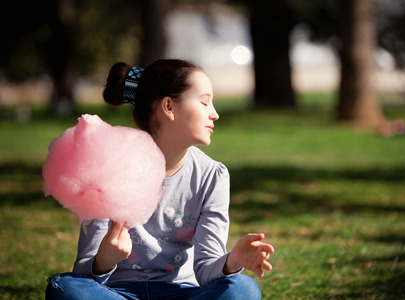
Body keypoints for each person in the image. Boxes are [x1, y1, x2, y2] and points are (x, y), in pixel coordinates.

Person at [45, 59, 274, 300]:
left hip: (182, 294)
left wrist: (233, 260)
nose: (214, 113)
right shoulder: (107, 166)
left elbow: (207, 270)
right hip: (115, 293)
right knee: (65, 289)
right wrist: (103, 261)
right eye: (205, 102)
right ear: (168, 107)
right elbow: (83, 275)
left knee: (243, 289)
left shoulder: (212, 176)